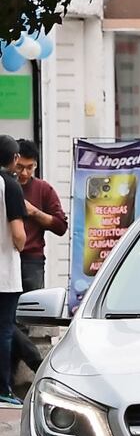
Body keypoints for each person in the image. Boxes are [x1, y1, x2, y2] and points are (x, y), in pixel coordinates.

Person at [12, 140, 67, 374]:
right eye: (20, 167)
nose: (24, 173)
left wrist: (34, 212)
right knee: (8, 322)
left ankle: (12, 380)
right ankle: (37, 365)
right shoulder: (5, 186)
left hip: (32, 260)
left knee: (22, 321)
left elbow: (60, 225)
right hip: (7, 258)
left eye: (30, 167)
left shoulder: (43, 189)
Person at [0, 136, 27, 406]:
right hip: (4, 274)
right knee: (4, 331)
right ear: (15, 158)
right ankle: (3, 388)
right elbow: (18, 235)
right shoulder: (10, 185)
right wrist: (21, 243)